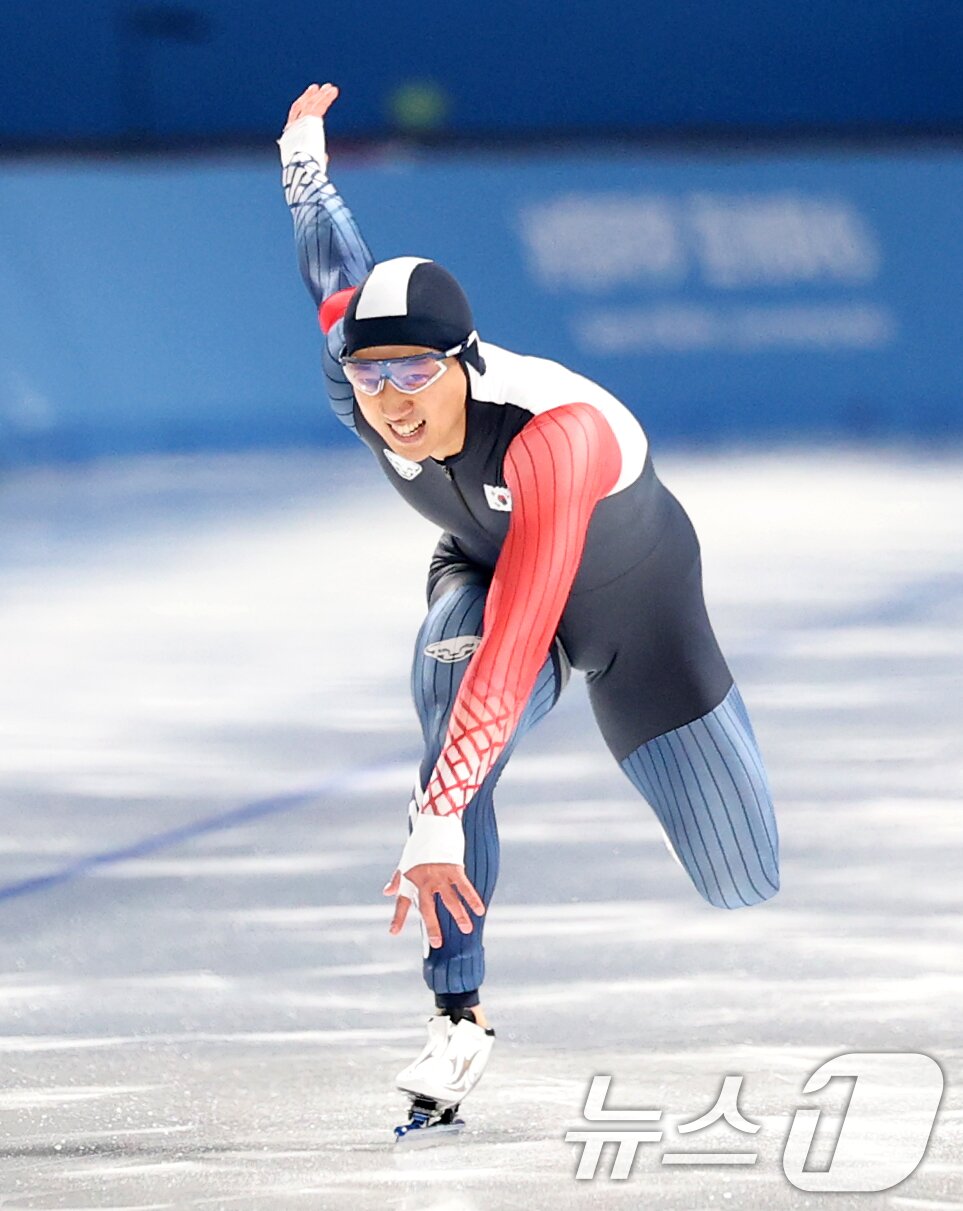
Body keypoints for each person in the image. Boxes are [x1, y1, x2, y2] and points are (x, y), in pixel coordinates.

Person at [279, 82, 780, 1137]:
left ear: (465, 359)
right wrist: (304, 167)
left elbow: (525, 630)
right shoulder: (356, 376)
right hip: (480, 567)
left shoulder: (553, 436)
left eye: (416, 369)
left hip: (636, 607)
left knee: (744, 879)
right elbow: (336, 270)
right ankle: (457, 1014)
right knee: (450, 683)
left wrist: (438, 810)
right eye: (370, 377)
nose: (392, 400)